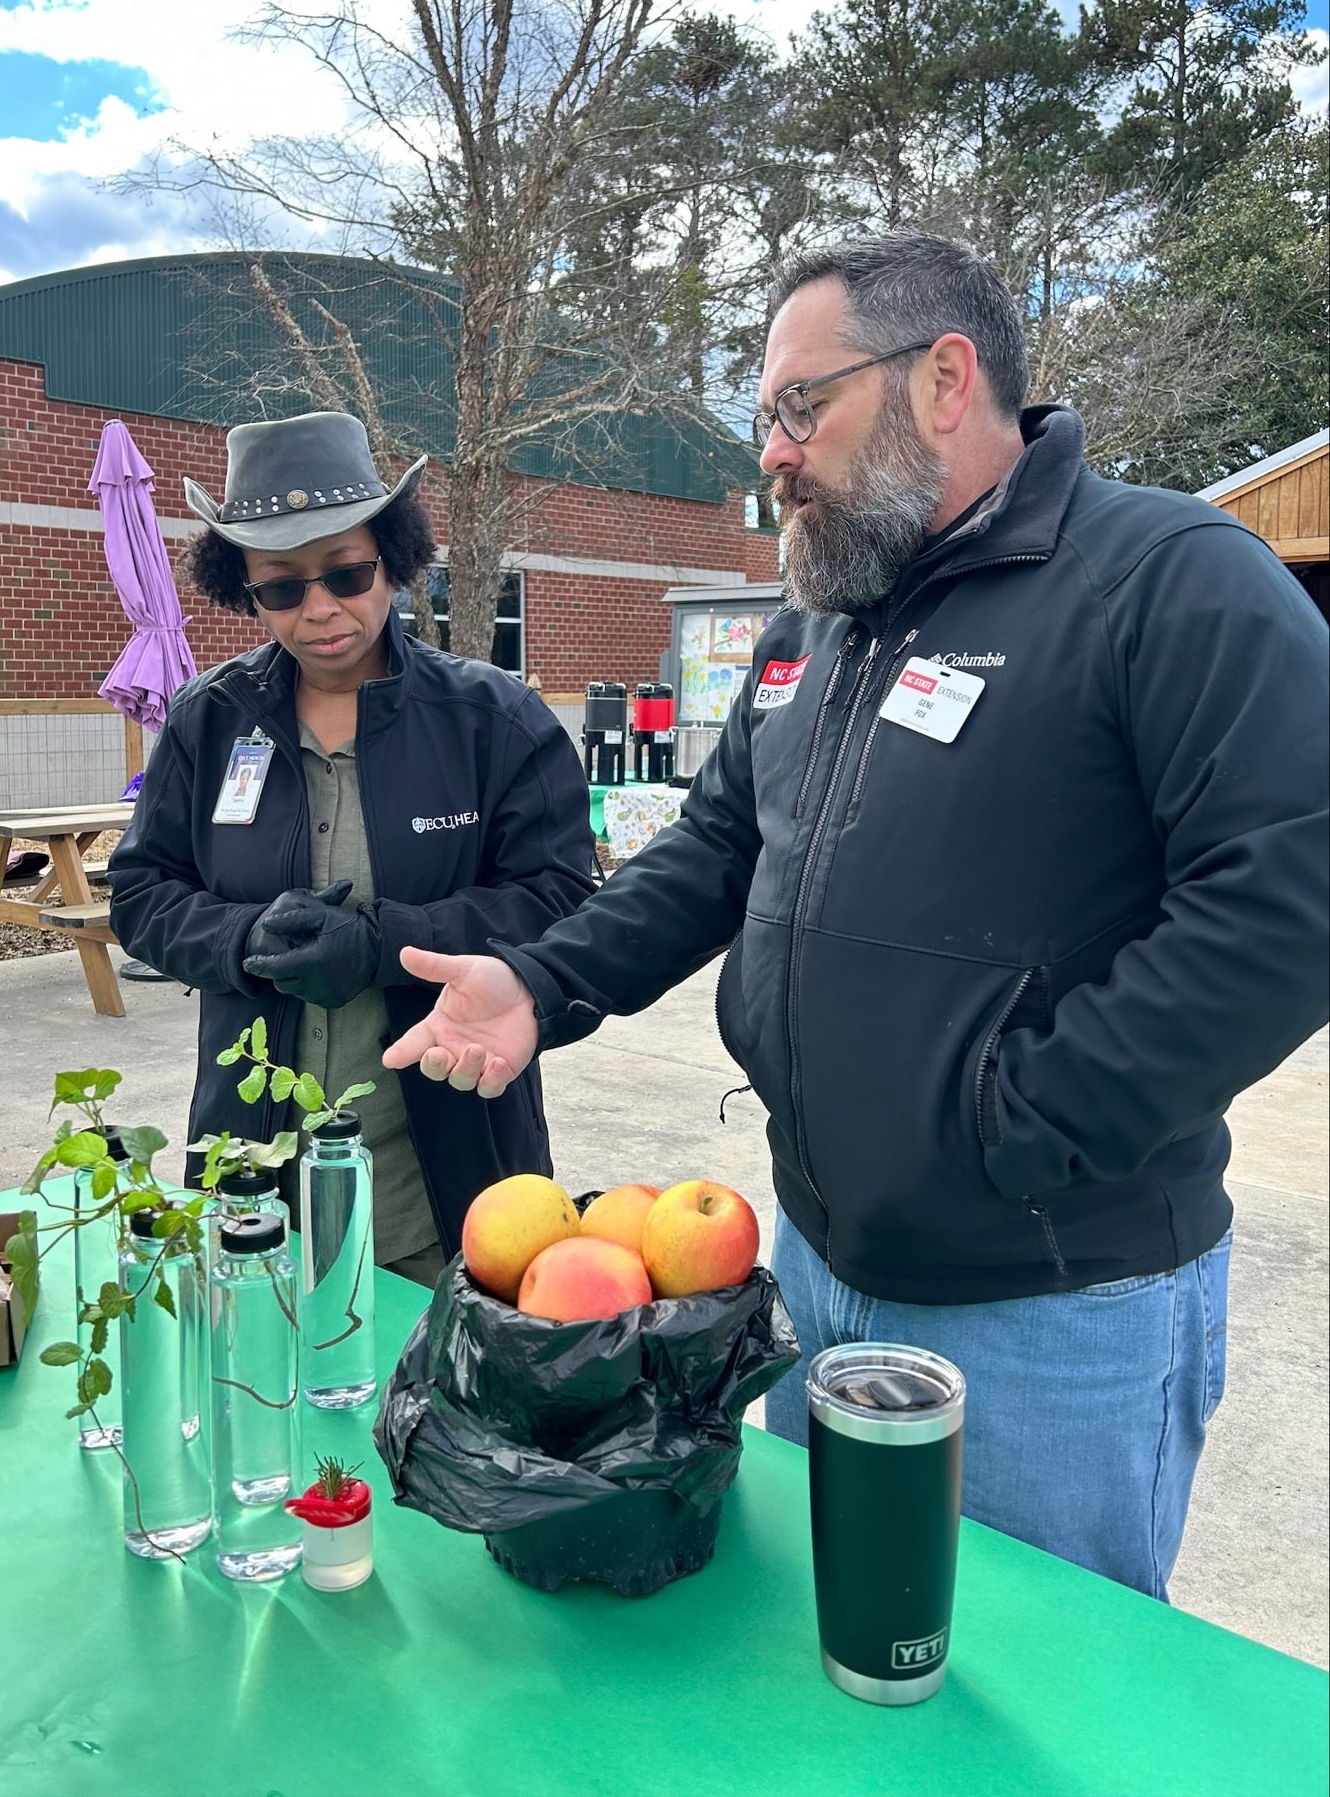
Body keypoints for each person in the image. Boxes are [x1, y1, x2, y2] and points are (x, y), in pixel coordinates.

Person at [381, 233, 1330, 1592]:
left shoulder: (1166, 578)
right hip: (812, 1274)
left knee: (1032, 1699)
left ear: (945, 379)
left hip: (1051, 1303)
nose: (772, 451)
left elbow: (1291, 894)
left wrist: (1025, 1124)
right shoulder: (820, 628)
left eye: (796, 407)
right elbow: (713, 849)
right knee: (834, 1659)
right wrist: (540, 982)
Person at [108, 410, 594, 1287]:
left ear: (393, 559)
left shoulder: (495, 722)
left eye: (346, 573)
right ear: (244, 589)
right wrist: (237, 942)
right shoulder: (207, 721)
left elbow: (560, 901)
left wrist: (382, 944)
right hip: (250, 1168)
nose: (321, 609)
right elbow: (142, 891)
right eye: (282, 588)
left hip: (440, 1174)